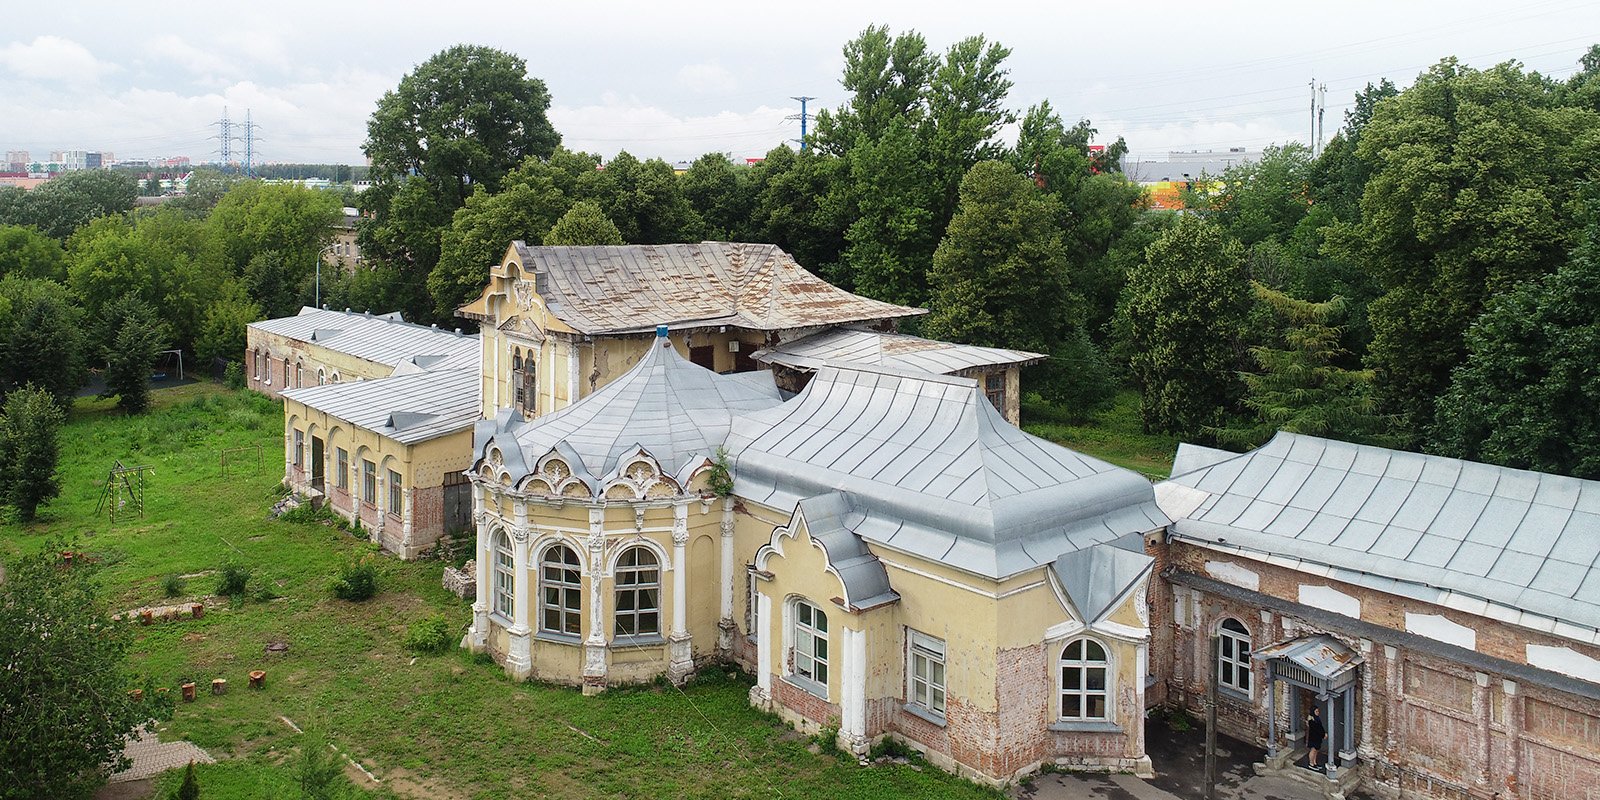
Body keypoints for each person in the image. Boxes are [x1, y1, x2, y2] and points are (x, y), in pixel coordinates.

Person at [1306, 705, 1327, 771]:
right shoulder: (1312, 720)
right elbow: (1317, 729)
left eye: (1318, 711)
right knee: (1313, 750)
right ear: (1313, 712)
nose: (1318, 712)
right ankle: (1311, 763)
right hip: (1314, 737)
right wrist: (1323, 734)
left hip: (1317, 737)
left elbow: (1320, 727)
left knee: (1316, 750)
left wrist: (1323, 734)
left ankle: (1314, 763)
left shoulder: (1317, 718)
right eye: (1316, 711)